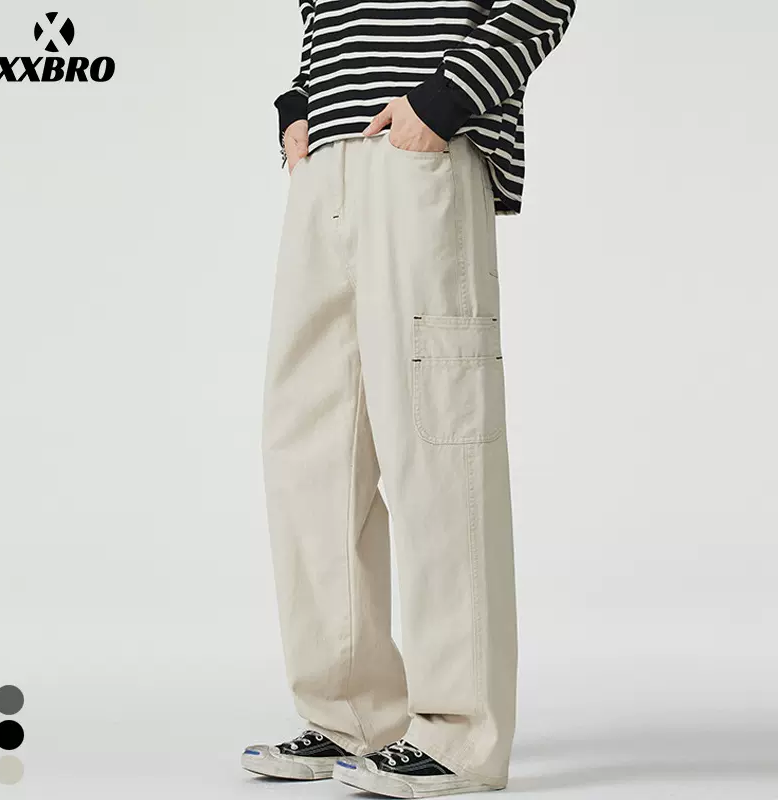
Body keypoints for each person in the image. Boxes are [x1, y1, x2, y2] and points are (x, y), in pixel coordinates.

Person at [242, 1, 575, 796]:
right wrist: (300, 104)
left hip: (420, 149)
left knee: (438, 443)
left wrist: (446, 99)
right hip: (326, 162)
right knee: (310, 451)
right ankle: (349, 714)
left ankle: (460, 734)